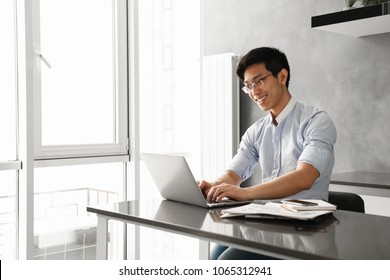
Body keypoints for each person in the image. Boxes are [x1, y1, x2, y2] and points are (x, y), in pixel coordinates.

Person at [197, 47, 337, 260]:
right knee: (216, 251)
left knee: (228, 260)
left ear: (282, 76)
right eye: (248, 86)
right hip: (268, 223)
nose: (254, 92)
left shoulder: (316, 121)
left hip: (306, 232)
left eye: (259, 81)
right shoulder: (256, 131)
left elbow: (304, 177)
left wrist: (246, 193)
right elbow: (234, 174)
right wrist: (215, 186)